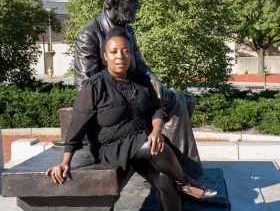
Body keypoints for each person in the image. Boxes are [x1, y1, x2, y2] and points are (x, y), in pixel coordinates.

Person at [46, 28, 218, 211]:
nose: (120, 56)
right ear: (105, 56)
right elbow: (76, 127)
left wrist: (156, 130)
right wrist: (66, 161)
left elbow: (157, 110)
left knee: (165, 180)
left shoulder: (141, 80)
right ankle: (186, 182)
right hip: (111, 147)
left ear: (131, 55)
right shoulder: (94, 86)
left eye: (125, 51)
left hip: (141, 144)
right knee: (154, 146)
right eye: (114, 52)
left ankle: (179, 183)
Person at [73, 0, 204, 179]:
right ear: (115, 2)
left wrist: (154, 82)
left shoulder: (127, 29)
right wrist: (129, 97)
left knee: (187, 101)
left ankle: (171, 167)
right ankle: (186, 179)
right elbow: (84, 86)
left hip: (135, 92)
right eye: (132, 0)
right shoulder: (88, 35)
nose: (138, 5)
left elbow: (140, 64)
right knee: (178, 101)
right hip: (113, 113)